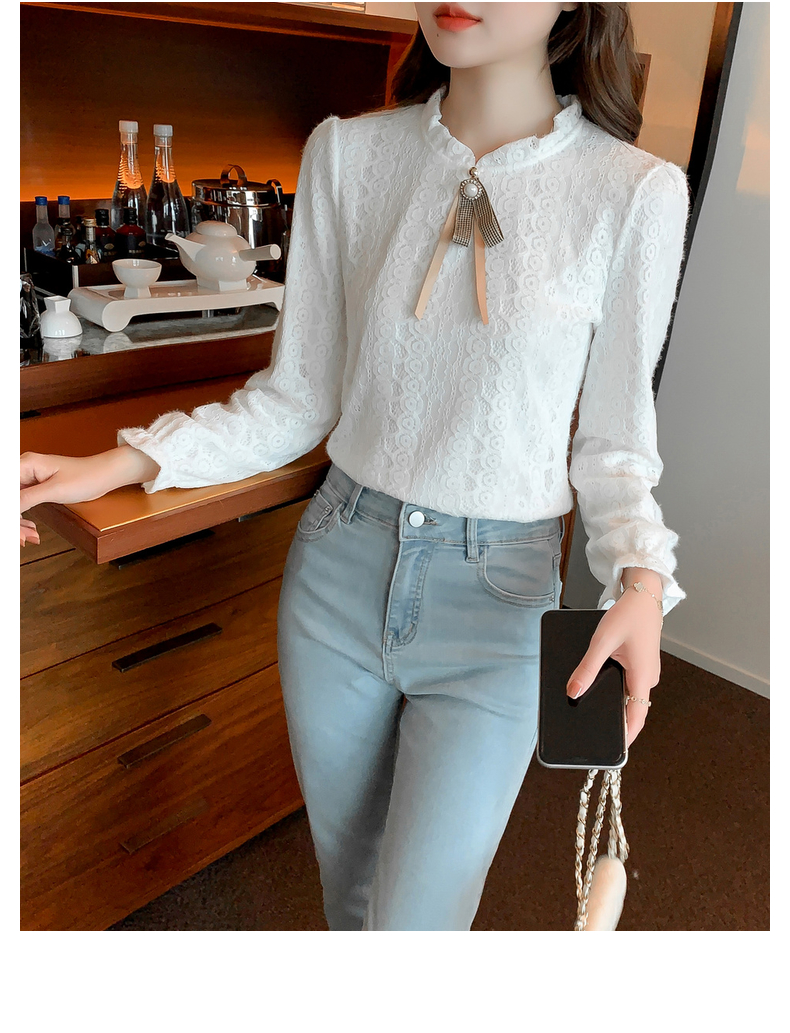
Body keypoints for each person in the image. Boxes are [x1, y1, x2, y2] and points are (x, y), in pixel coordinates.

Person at [20, 3, 690, 931]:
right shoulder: (348, 155)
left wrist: (642, 578)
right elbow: (297, 398)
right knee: (353, 902)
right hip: (337, 571)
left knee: (416, 926)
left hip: (498, 602)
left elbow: (613, 448)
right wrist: (128, 458)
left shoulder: (634, 192)